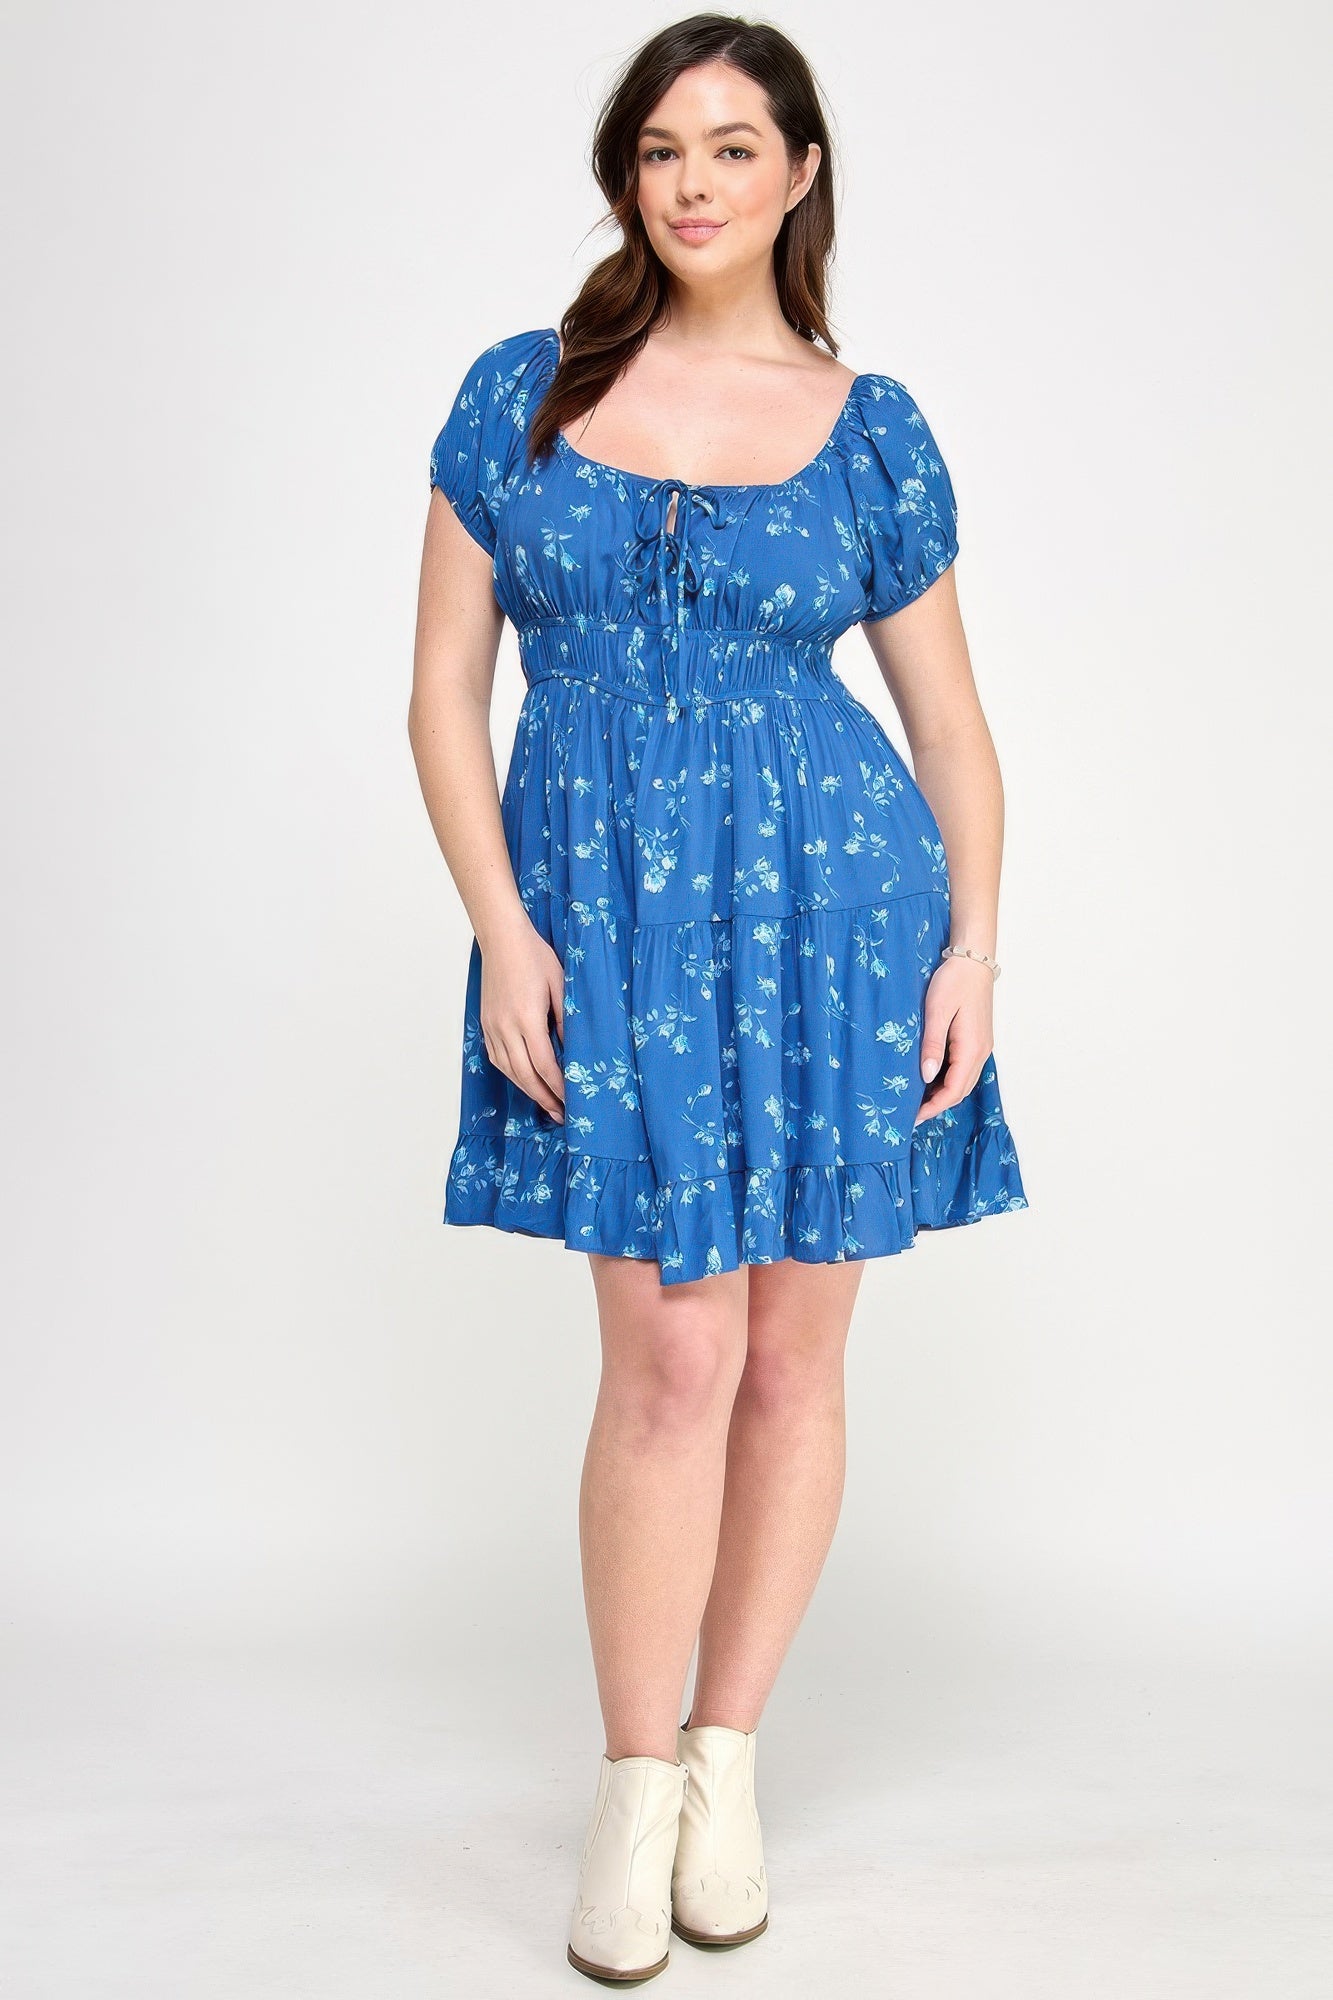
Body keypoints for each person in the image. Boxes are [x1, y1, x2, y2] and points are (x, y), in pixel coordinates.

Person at [409, 12, 1029, 1983]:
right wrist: (502, 928)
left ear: (797, 175)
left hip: (837, 918)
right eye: (661, 148)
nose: (692, 181)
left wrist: (971, 950)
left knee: (791, 1361)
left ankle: (723, 1759)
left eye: (733, 146)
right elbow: (441, 692)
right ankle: (627, 1785)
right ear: (626, 175)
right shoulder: (519, 395)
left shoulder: (872, 426)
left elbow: (950, 727)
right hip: (604, 929)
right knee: (669, 1358)